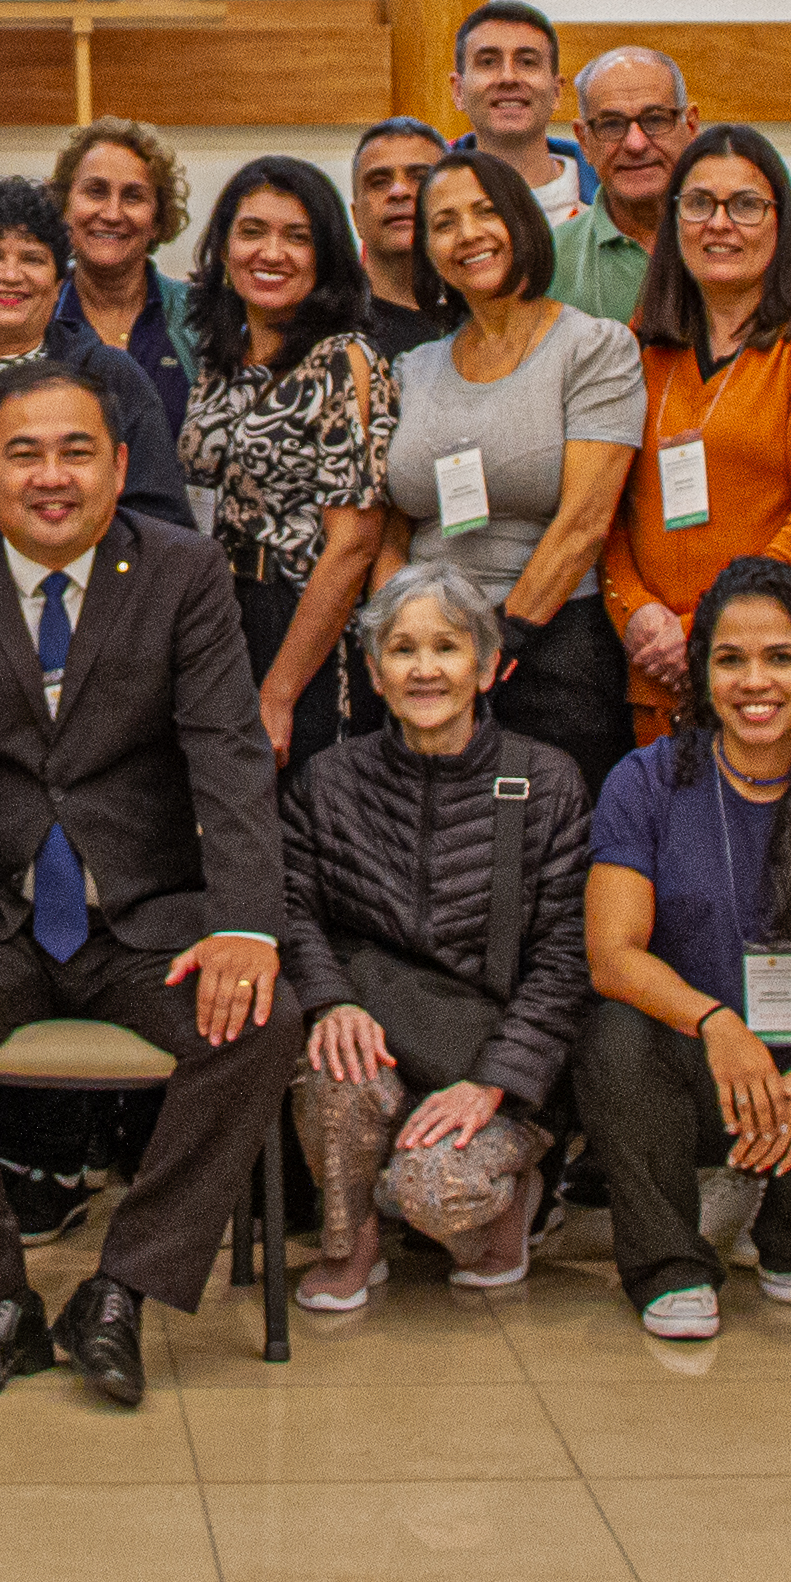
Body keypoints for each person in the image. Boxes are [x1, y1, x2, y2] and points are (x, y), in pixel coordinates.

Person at [0, 361, 296, 1407]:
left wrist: (245, 924)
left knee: (260, 1023)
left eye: (75, 452)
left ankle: (124, 1289)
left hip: (141, 918)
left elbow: (230, 758)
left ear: (120, 466)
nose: (50, 477)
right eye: (24, 453)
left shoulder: (186, 573)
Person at [579, 556, 791, 1333]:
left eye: (780, 658)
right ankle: (669, 1265)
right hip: (698, 1069)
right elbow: (612, 955)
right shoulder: (646, 782)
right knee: (614, 1039)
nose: (754, 682)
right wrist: (716, 1023)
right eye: (729, 660)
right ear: (700, 675)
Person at [277, 560, 591, 1312]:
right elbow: (290, 907)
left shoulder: (546, 782)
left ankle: (503, 1209)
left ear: (486, 669)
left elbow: (566, 954)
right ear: (375, 674)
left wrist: (494, 1081)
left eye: (447, 648)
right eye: (402, 649)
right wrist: (330, 1002)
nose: (425, 670)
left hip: (490, 1065)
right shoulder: (330, 782)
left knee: (434, 1191)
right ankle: (351, 1246)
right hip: (376, 1039)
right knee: (333, 1073)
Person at [391, 148, 646, 774]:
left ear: (523, 223)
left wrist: (497, 642)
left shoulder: (593, 347)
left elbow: (585, 523)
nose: (467, 234)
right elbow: (392, 527)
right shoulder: (412, 369)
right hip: (427, 660)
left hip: (550, 647)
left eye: (485, 212)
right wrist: (401, 637)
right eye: (444, 222)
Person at [618, 128, 791, 727]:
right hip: (664, 675)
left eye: (745, 205)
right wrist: (632, 611)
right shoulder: (641, 344)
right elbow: (606, 506)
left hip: (786, 672)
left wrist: (713, 625)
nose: (720, 224)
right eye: (698, 204)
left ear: (780, 221)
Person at [175, 157, 394, 765]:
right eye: (252, 232)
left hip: (302, 627)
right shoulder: (221, 357)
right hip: (220, 616)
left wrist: (278, 692)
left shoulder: (343, 361)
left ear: (326, 255)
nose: (271, 252)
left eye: (297, 237)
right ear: (222, 245)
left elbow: (352, 545)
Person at [0, 178, 189, 537]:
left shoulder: (107, 376)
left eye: (33, 259)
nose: (11, 275)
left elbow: (163, 524)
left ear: (59, 282)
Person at [50, 115, 198, 431]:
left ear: (158, 219)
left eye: (133, 196)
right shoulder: (38, 314)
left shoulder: (198, 316)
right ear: (65, 206)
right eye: (96, 191)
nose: (112, 214)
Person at [545, 47, 699, 321]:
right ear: (584, 141)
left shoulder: (742, 235)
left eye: (655, 119)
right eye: (612, 125)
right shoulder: (549, 262)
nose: (635, 144)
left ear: (690, 127)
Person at [449, 0, 584, 221]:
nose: (508, 78)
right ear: (459, 91)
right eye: (488, 62)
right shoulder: (423, 201)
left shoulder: (609, 198)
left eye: (527, 62)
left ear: (557, 92)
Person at [348, 116, 463, 357]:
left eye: (420, 178)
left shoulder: (486, 318)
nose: (399, 192)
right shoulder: (329, 328)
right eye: (379, 182)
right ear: (356, 216)